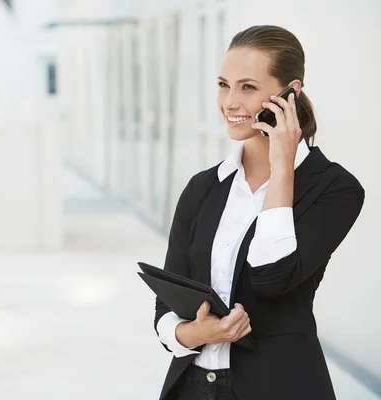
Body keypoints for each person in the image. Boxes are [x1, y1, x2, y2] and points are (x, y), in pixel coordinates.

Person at [153, 25, 365, 400]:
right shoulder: (203, 187)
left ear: (290, 93)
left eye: (247, 87)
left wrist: (283, 166)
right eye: (223, 84)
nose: (230, 102)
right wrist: (197, 334)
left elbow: (271, 278)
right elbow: (165, 309)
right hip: (192, 387)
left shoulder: (336, 189)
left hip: (281, 386)